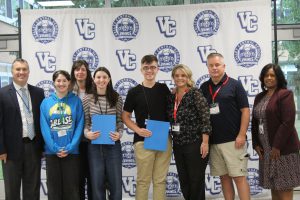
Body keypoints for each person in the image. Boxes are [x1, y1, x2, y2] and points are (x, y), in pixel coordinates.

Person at [200, 53, 250, 200]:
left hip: (233, 141)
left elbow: (245, 111)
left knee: (239, 178)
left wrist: (241, 134)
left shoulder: (235, 85)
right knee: (224, 178)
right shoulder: (204, 87)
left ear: (223, 66)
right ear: (207, 67)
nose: (214, 68)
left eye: (217, 65)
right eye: (211, 65)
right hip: (214, 142)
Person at [122, 54, 172, 200]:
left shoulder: (164, 89)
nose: (149, 70)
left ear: (158, 69)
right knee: (143, 180)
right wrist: (137, 129)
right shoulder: (134, 92)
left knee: (160, 180)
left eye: (152, 67)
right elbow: (125, 116)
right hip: (143, 140)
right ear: (141, 69)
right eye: (146, 68)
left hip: (163, 138)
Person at [251, 63, 300, 200]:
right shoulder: (259, 97)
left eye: (272, 75)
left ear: (279, 77)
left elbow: (288, 122)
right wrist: (255, 144)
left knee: (284, 186)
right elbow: (254, 122)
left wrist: (277, 146)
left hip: (282, 150)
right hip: (266, 151)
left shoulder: (285, 94)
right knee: (274, 186)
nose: (269, 78)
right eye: (266, 75)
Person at [0, 58, 44, 200]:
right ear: (12, 72)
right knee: (12, 191)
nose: (21, 72)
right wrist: (1, 149)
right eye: (18, 69)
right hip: (11, 151)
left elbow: (42, 121)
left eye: (24, 69)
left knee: (32, 190)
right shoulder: (2, 93)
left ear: (29, 72)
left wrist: (43, 146)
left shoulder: (38, 92)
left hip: (33, 147)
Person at [167, 64, 211, 199]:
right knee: (184, 180)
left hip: (194, 143)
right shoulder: (172, 96)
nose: (180, 78)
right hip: (178, 144)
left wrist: (205, 142)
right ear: (173, 77)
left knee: (195, 181)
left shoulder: (194, 93)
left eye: (183, 75)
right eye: (177, 75)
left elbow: (205, 117)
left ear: (188, 77)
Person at [40, 70, 84, 200]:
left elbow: (79, 126)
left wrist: (70, 147)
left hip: (72, 152)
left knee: (72, 189)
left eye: (64, 80)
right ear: (54, 82)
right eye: (58, 80)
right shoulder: (46, 103)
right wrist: (54, 147)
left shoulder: (76, 101)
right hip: (52, 152)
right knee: (54, 189)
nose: (61, 83)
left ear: (69, 82)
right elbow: (44, 128)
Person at [83, 67, 123, 200]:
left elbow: (119, 121)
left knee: (116, 184)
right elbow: (86, 122)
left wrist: (120, 133)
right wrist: (87, 133)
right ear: (94, 80)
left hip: (113, 144)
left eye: (104, 77)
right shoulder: (87, 98)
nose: (101, 80)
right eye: (98, 77)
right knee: (96, 183)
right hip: (94, 145)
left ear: (109, 79)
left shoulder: (116, 97)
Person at [70, 60, 93, 200]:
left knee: (92, 176)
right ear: (73, 72)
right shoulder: (68, 90)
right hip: (75, 140)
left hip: (92, 139)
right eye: (77, 69)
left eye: (83, 69)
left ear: (87, 71)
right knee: (77, 177)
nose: (80, 72)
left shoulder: (95, 88)